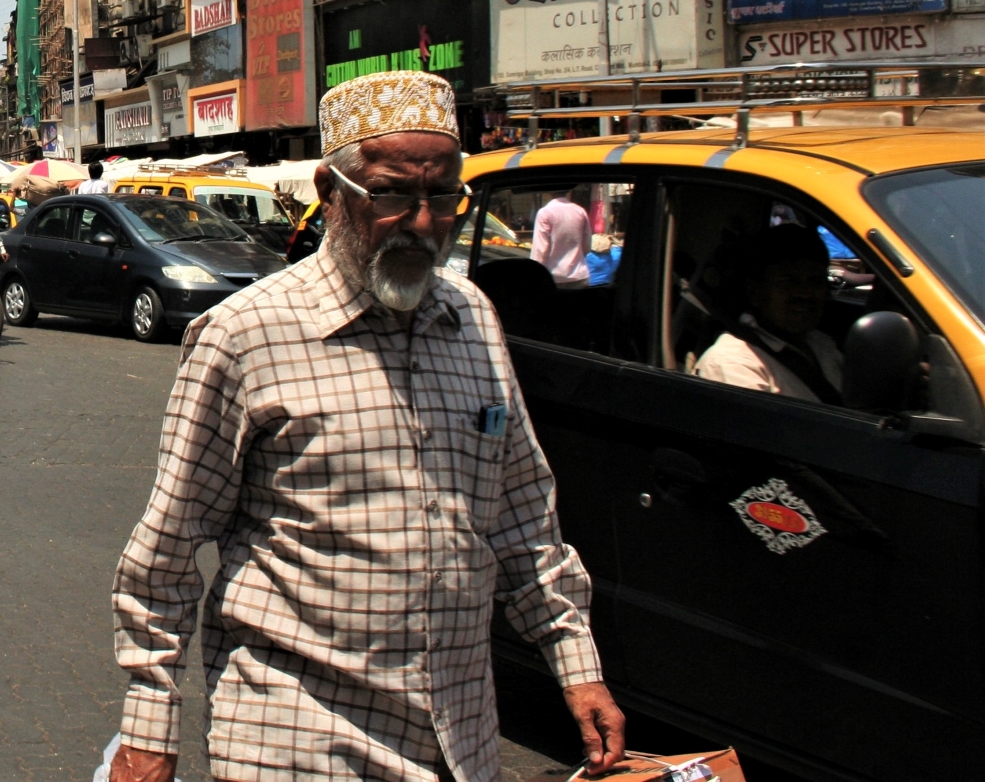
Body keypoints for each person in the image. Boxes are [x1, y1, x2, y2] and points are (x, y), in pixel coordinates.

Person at [107, 71, 624, 782]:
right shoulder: (245, 334)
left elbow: (523, 520)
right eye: (390, 195)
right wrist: (149, 727)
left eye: (442, 196)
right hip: (296, 739)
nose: (421, 222)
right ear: (330, 191)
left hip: (459, 740)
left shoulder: (473, 321)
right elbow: (164, 552)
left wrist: (578, 667)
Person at [694, 223, 844, 404]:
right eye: (788, 282)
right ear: (755, 292)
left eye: (815, 281)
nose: (805, 293)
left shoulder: (821, 344)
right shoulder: (733, 364)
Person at [530, 189, 591, 289]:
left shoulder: (545, 213)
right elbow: (587, 245)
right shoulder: (580, 211)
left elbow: (540, 251)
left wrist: (534, 276)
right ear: (568, 191)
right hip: (579, 277)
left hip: (553, 278)